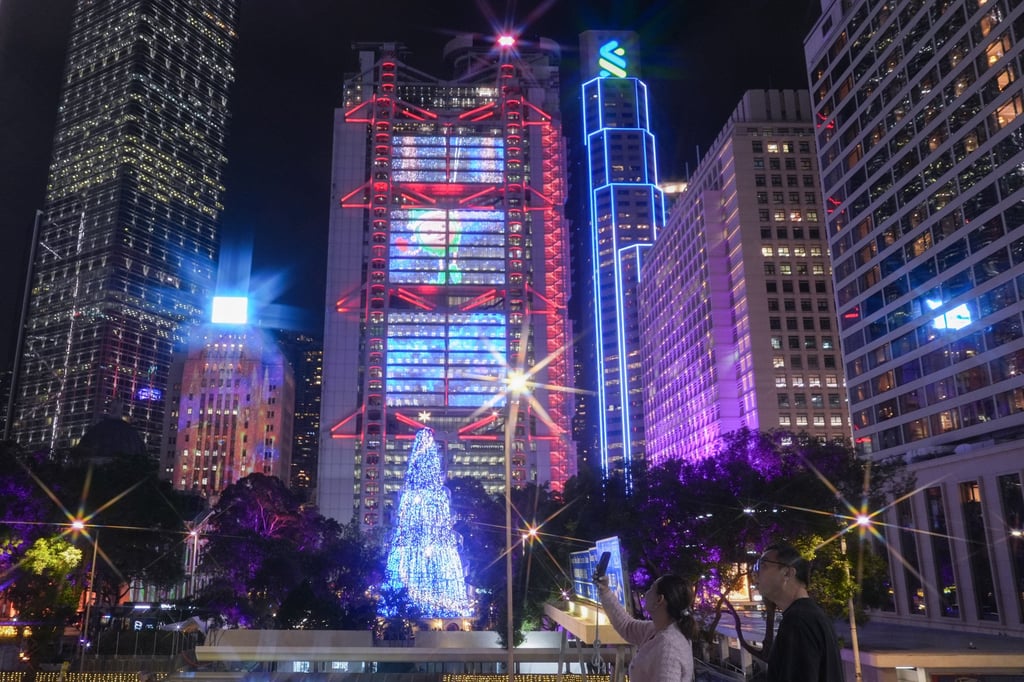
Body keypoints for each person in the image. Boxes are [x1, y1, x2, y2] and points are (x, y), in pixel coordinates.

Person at [752, 543, 845, 682]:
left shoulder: (798, 622)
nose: (755, 574)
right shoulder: (812, 616)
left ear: (787, 573)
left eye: (762, 566)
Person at [594, 572, 696, 682]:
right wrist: (605, 591)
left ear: (659, 600)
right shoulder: (656, 630)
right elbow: (627, 625)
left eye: (651, 589)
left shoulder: (668, 649)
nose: (646, 593)